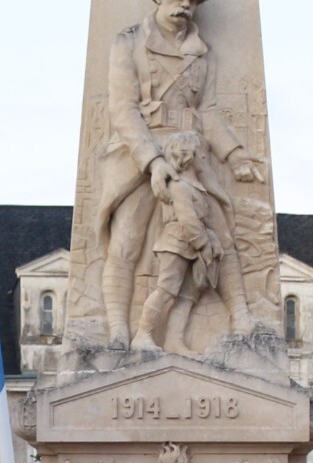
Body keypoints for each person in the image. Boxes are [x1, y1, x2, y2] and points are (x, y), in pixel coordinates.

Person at [96, 0, 265, 349]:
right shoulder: (129, 41)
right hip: (138, 152)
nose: (185, 3)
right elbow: (123, 109)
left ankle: (241, 315)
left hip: (188, 152)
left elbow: (208, 111)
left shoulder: (202, 53)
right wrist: (154, 162)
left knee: (220, 229)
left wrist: (234, 155)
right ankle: (117, 331)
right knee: (126, 239)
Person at [133, 132, 234, 354]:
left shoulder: (195, 185)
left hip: (193, 246)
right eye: (201, 153)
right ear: (188, 156)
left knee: (188, 296)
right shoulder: (179, 185)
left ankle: (174, 341)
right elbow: (188, 219)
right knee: (166, 290)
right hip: (176, 243)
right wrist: (204, 244)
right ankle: (142, 335)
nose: (205, 157)